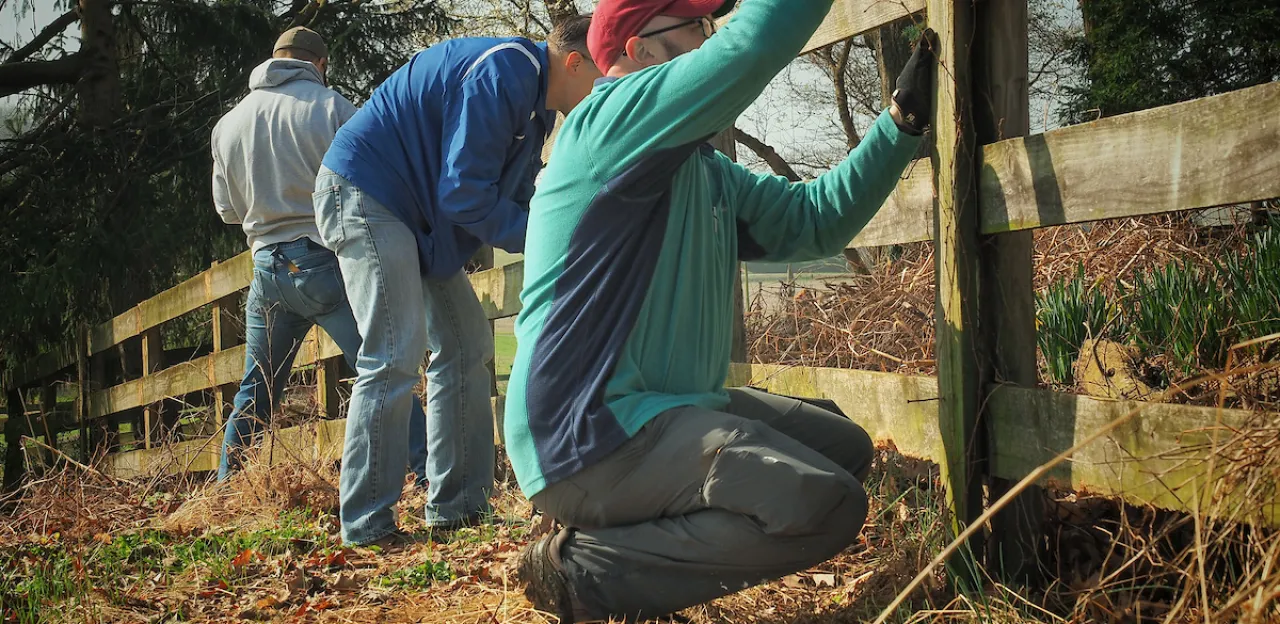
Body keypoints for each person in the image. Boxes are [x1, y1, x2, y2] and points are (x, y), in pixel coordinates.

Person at [504, 0, 938, 618]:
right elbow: (751, 47)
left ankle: (626, 533)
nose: (708, 37)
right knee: (830, 503)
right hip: (588, 432)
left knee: (841, 448)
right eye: (694, 26)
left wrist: (900, 126)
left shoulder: (703, 170)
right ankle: (585, 573)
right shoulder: (608, 123)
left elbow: (812, 223)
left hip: (662, 412)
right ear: (639, 49)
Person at [313, 17, 603, 547]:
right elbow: (464, 195)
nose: (603, 93)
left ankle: (459, 508)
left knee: (468, 342)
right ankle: (366, 525)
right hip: (368, 192)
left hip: (414, 217)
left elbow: (511, 198)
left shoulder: (533, 108)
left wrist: (563, 223)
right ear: (576, 62)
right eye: (603, 78)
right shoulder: (507, 70)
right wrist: (546, 237)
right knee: (393, 352)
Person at [211, 27, 429, 483]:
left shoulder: (227, 124)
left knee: (256, 389)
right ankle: (431, 474)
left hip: (267, 267)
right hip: (323, 259)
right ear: (320, 64)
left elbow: (227, 211)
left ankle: (225, 488)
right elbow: (370, 181)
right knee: (380, 367)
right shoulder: (332, 109)